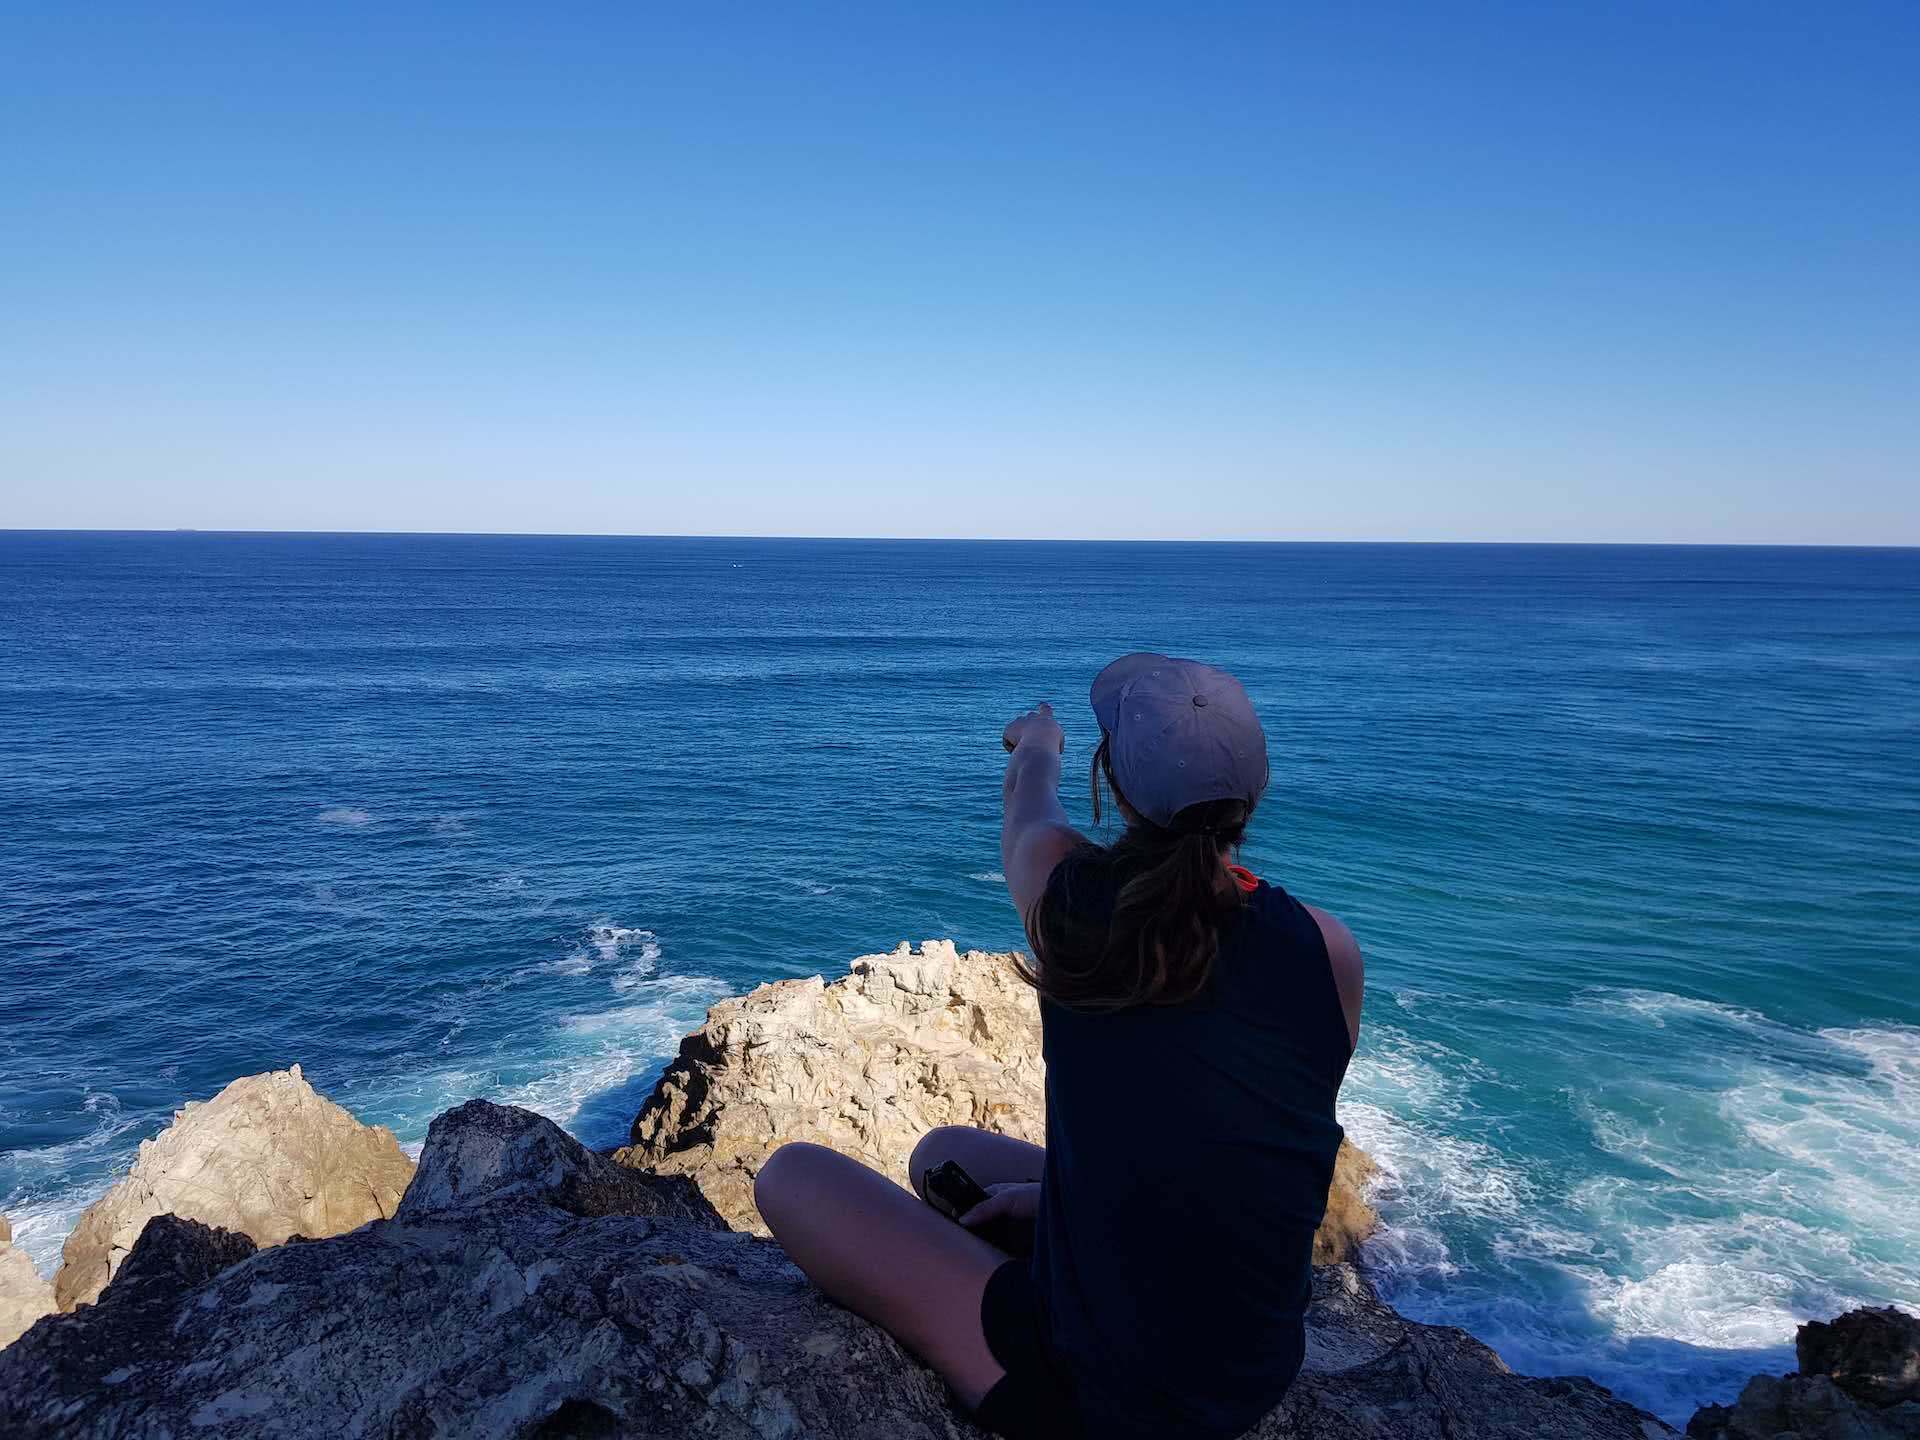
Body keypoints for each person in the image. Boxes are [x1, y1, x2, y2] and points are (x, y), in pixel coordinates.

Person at [755, 653, 1364, 1439]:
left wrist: (1038, 741)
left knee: (790, 1176)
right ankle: (1052, 1232)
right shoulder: (1328, 948)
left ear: (1115, 787)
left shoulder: (1073, 899)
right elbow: (1237, 1144)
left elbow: (1027, 802)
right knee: (945, 1152)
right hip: (1254, 1358)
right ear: (1252, 794)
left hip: (1115, 1391)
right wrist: (1057, 1207)